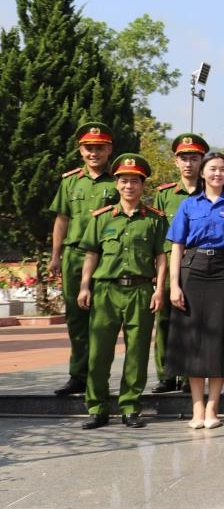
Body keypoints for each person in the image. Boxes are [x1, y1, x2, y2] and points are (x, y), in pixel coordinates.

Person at [77, 153, 167, 429]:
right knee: (98, 352)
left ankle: (130, 407)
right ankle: (97, 407)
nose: (129, 186)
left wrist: (159, 289)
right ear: (117, 184)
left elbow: (162, 257)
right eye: (124, 181)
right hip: (105, 290)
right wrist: (84, 286)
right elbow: (91, 253)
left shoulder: (154, 219)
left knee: (137, 352)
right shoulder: (102, 218)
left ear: (143, 186)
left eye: (135, 181)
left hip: (140, 290)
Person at [165, 152, 224, 429]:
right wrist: (174, 285)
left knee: (219, 339)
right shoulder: (189, 205)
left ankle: (213, 406)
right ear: (202, 173)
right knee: (194, 339)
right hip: (194, 269)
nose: (218, 174)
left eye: (223, 170)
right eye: (213, 169)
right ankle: (197, 407)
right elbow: (176, 246)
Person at [48, 122, 119, 396]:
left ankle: (98, 377)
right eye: (89, 148)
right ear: (81, 151)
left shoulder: (118, 181)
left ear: (109, 149)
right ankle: (78, 375)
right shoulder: (70, 181)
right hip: (75, 255)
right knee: (76, 319)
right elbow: (61, 219)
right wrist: (55, 256)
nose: (94, 153)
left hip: (108, 257)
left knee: (103, 320)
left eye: (99, 148)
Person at [150, 132, 208, 394]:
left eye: (193, 158)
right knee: (164, 320)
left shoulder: (210, 193)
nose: (188, 164)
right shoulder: (165, 195)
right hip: (169, 263)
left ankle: (189, 376)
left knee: (194, 322)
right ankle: (165, 375)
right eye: (183, 158)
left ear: (201, 161)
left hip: (198, 267)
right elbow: (159, 233)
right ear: (176, 162)